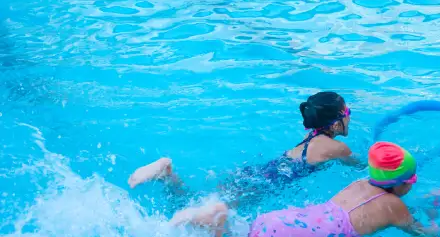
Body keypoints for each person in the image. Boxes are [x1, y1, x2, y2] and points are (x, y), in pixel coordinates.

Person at [169, 141, 438, 237]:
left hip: (283, 220)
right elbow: (425, 235)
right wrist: (435, 221)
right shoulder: (395, 207)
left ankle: (214, 219)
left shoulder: (358, 184)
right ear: (401, 184)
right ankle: (214, 220)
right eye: (411, 181)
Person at [127, 91, 354, 205]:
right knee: (197, 211)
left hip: (261, 172)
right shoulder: (337, 148)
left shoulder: (310, 136)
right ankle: (166, 171)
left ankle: (166, 175)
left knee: (198, 201)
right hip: (267, 183)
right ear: (335, 124)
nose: (350, 118)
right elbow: (361, 167)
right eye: (348, 113)